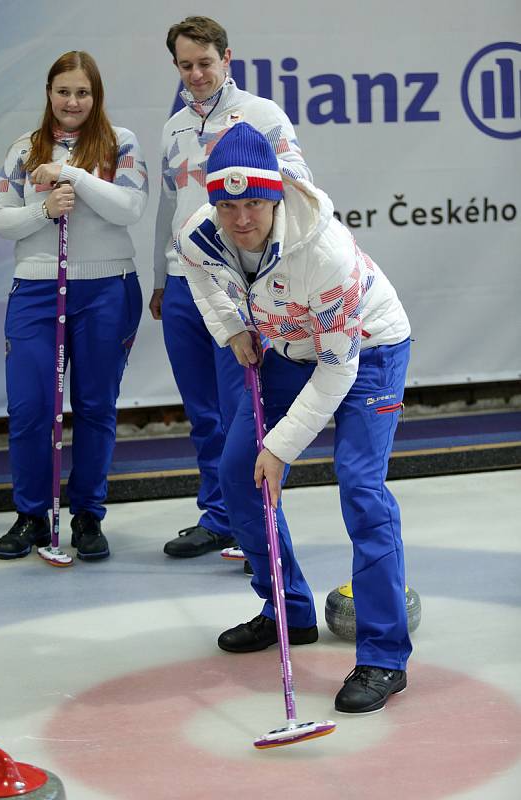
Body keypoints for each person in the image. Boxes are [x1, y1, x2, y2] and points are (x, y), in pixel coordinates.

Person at [175, 121, 413, 715]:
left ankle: (384, 657)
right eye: (226, 206)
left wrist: (280, 448)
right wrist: (231, 328)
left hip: (367, 350)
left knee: (360, 485)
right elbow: (204, 280)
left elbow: (338, 371)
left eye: (253, 203)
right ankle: (286, 609)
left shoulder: (322, 252)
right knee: (237, 474)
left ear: (275, 194)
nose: (240, 220)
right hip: (286, 346)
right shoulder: (201, 235)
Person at [150, 16, 312, 559]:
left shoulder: (264, 116)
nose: (196, 74)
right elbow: (168, 210)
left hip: (239, 284)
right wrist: (158, 279)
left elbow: (296, 191)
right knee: (203, 413)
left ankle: (257, 524)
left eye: (205, 63)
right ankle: (219, 515)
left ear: (227, 59)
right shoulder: (173, 127)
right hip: (182, 281)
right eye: (185, 65)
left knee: (246, 413)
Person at [0, 51, 148, 562]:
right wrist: (44, 207)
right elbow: (2, 220)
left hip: (105, 286)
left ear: (95, 95)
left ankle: (86, 515)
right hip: (37, 287)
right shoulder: (23, 149)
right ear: (49, 93)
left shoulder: (119, 142)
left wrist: (73, 176)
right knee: (31, 407)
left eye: (83, 92)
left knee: (96, 405)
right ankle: (32, 514)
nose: (73, 101)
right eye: (64, 91)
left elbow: (131, 206)